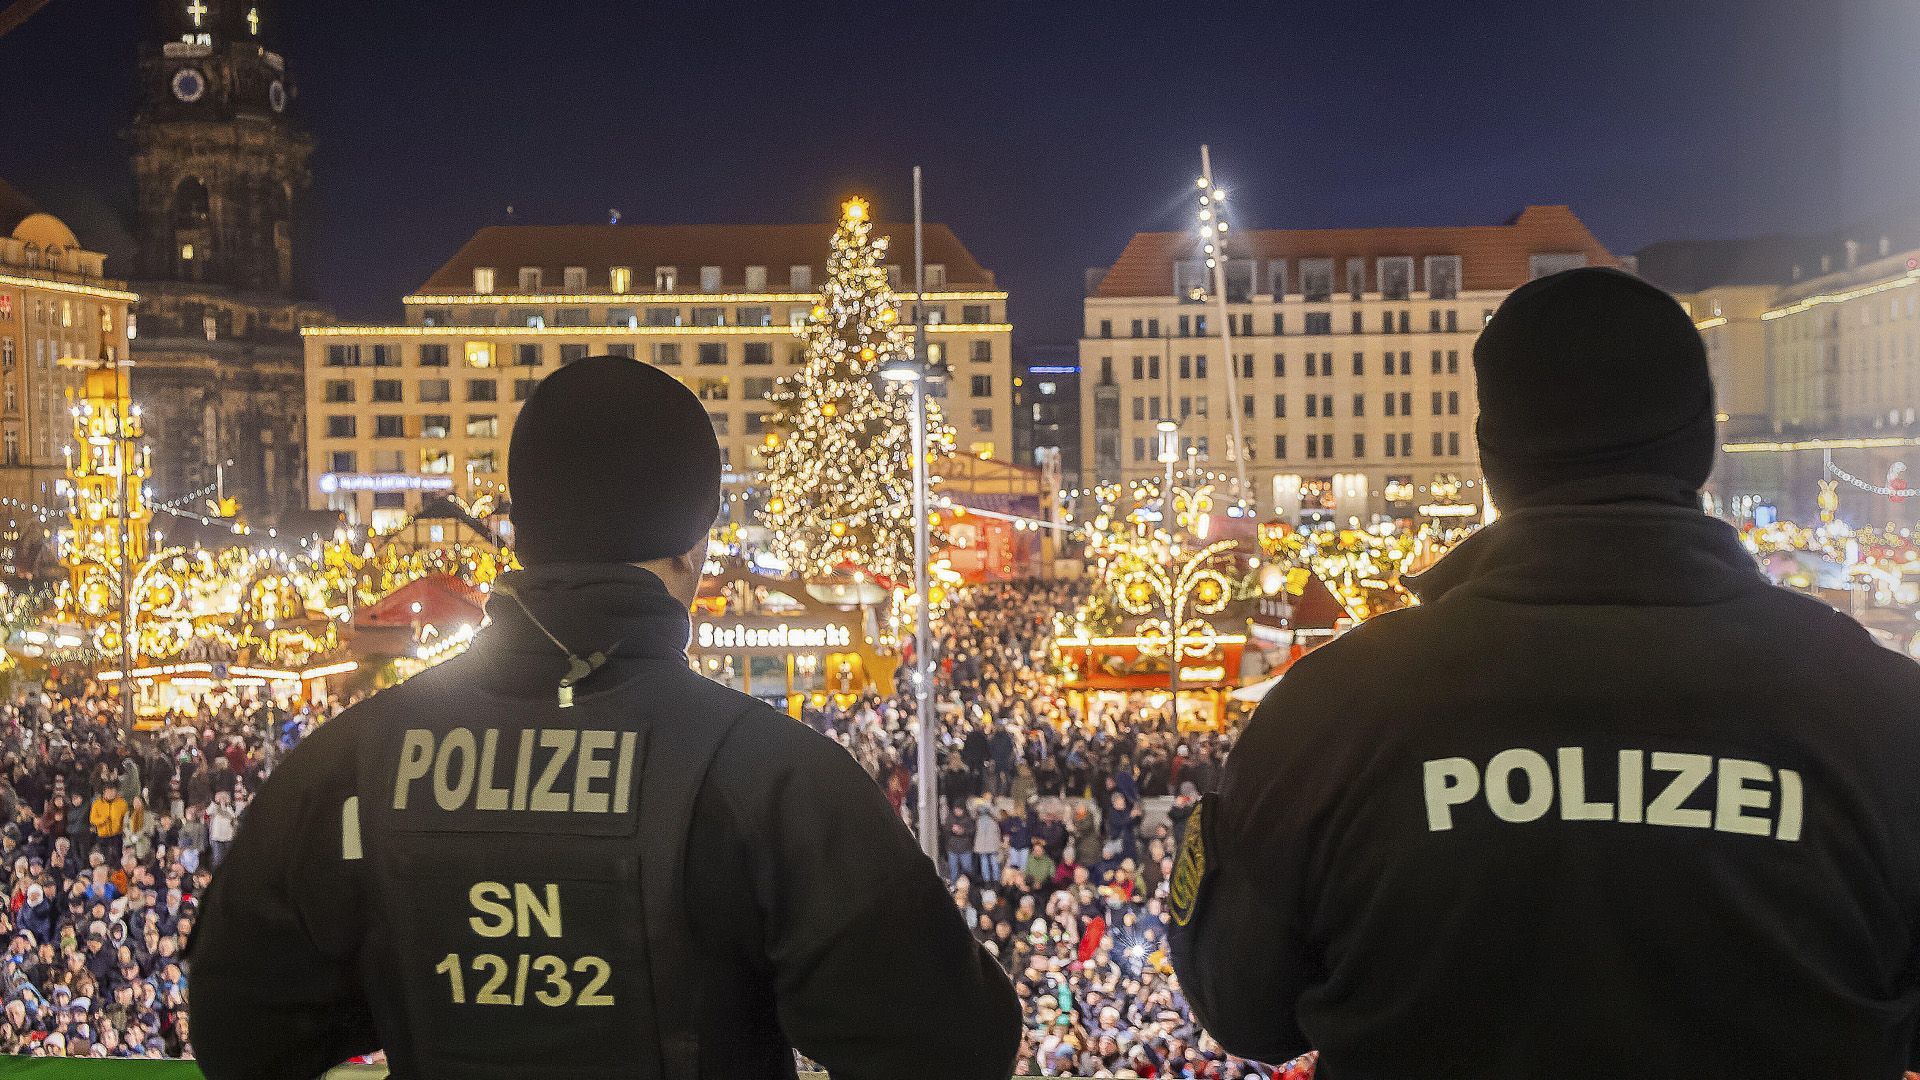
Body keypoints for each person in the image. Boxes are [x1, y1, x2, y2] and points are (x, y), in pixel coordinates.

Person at [1169, 267, 1920, 1076]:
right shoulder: (1880, 712)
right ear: (1702, 447)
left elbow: (1241, 1006)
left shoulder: (1334, 707)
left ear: (1491, 456)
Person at [188, 356, 1021, 1080]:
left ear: (522, 530)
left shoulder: (348, 764)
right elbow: (950, 1045)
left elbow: (238, 1034)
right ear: (694, 543)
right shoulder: (774, 777)